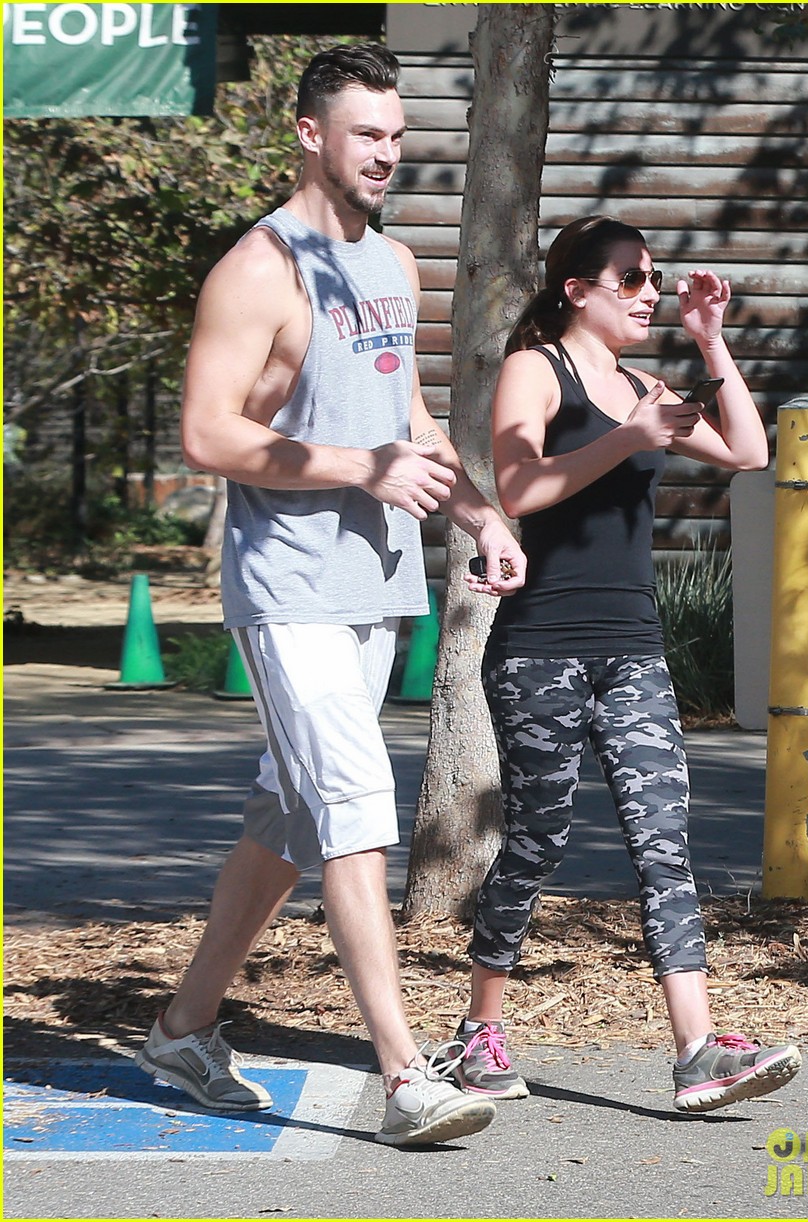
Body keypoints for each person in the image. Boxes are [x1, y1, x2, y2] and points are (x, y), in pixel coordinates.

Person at [134, 43, 525, 1148]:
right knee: (353, 803)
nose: (387, 155)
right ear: (310, 132)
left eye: (397, 138)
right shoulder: (257, 269)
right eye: (367, 135)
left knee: (292, 814)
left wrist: (478, 515)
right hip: (287, 587)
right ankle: (407, 1075)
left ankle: (183, 1024)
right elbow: (208, 432)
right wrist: (360, 467)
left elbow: (403, 421)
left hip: (375, 580)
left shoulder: (396, 265)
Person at [451, 215, 802, 1112]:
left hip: (633, 651)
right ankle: (479, 1031)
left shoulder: (645, 384)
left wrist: (710, 342)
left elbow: (750, 454)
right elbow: (520, 486)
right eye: (633, 279)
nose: (651, 291)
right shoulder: (539, 368)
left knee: (663, 844)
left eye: (654, 278)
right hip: (541, 651)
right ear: (578, 290)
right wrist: (628, 437)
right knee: (539, 838)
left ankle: (696, 1051)